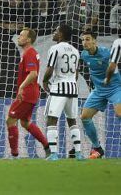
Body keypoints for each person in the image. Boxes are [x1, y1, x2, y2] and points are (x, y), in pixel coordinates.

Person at [6, 28, 50, 159]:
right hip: (31, 93)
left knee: (10, 121)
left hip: (27, 93)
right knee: (25, 123)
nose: (19, 37)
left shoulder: (29, 53)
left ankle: (14, 155)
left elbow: (33, 73)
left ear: (29, 39)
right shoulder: (29, 52)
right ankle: (47, 146)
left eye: (21, 35)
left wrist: (21, 87)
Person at [42, 24, 84, 161]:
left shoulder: (55, 49)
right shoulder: (76, 51)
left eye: (56, 31)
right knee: (72, 121)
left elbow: (50, 68)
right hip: (72, 88)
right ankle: (78, 153)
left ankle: (53, 154)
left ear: (60, 34)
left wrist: (44, 81)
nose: (54, 33)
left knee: (51, 120)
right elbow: (76, 74)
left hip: (58, 88)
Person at [80, 30, 121, 159]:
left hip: (114, 87)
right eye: (83, 40)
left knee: (119, 114)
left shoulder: (106, 53)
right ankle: (97, 148)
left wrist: (108, 79)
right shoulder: (84, 55)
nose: (84, 42)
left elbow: (113, 66)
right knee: (85, 117)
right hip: (98, 90)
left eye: (87, 39)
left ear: (94, 41)